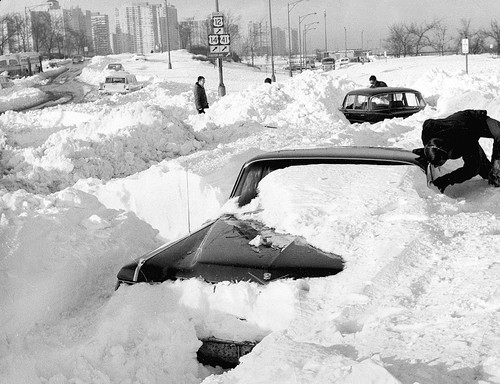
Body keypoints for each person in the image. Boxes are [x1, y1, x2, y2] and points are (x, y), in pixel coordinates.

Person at [416, 109, 500, 192]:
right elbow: (427, 123)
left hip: (477, 120)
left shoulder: (464, 140)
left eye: (439, 163)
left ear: (447, 154)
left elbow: (472, 168)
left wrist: (447, 180)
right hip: (458, 123)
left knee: (496, 175)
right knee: (486, 171)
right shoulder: (429, 131)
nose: (437, 166)